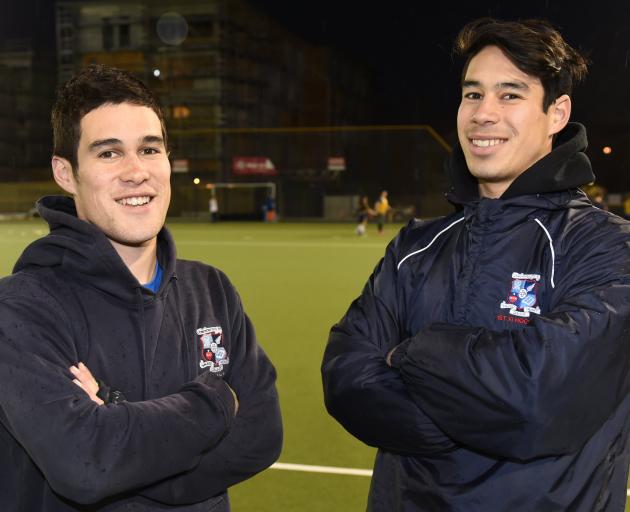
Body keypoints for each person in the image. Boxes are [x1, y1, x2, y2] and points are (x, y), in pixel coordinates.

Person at [322, 17, 630, 512]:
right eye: (472, 94)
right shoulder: (415, 246)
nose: (484, 113)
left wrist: (409, 354)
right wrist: (478, 414)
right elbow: (346, 377)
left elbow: (537, 402)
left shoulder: (607, 247)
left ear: (557, 113)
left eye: (510, 95)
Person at [0, 64, 282, 511]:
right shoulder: (21, 310)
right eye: (108, 153)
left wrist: (121, 432)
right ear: (65, 173)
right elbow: (85, 463)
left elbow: (262, 434)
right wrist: (217, 401)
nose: (136, 172)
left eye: (149, 149)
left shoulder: (211, 290)